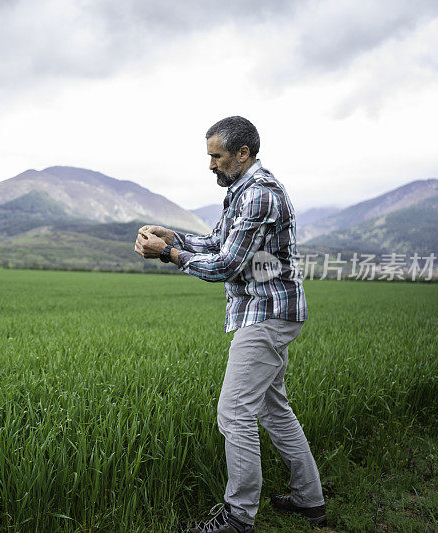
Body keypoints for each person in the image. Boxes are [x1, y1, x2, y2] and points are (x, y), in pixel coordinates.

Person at [134, 116, 326, 532]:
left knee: (234, 411)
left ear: (243, 153)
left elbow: (227, 263)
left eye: (216, 156)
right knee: (274, 409)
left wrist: (167, 254)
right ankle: (310, 499)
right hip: (267, 309)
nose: (210, 165)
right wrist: (176, 238)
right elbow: (219, 242)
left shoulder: (259, 195)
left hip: (267, 314)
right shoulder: (243, 191)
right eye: (209, 157)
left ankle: (238, 517)